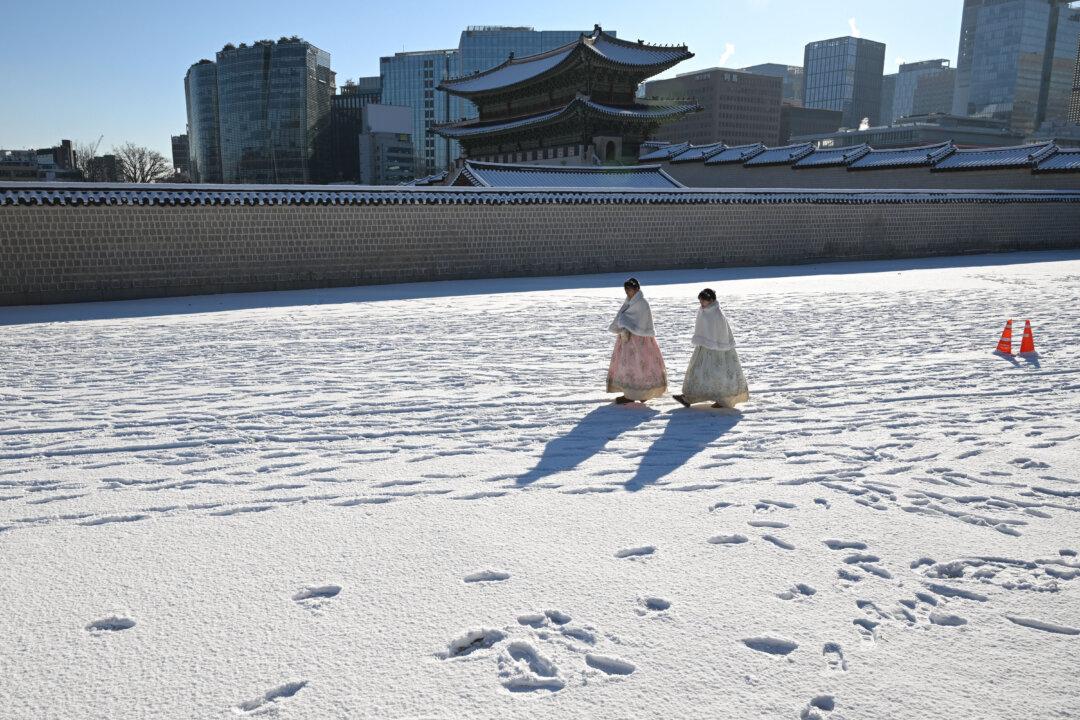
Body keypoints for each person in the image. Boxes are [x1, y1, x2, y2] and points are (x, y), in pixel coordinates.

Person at [673, 288, 749, 409]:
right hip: (704, 348)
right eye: (700, 301)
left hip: (719, 350)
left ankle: (723, 399)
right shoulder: (703, 310)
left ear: (711, 300)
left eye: (703, 301)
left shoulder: (717, 313)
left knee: (718, 374)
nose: (701, 304)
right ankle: (688, 397)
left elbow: (722, 332)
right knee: (697, 371)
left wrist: (716, 345)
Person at [607, 278, 668, 404]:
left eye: (630, 290)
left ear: (637, 289)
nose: (628, 293)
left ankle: (643, 393)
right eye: (626, 290)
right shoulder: (628, 302)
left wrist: (630, 326)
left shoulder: (642, 303)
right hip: (627, 340)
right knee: (627, 366)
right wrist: (623, 327)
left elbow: (642, 321)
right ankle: (629, 394)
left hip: (641, 341)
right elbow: (621, 316)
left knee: (641, 365)